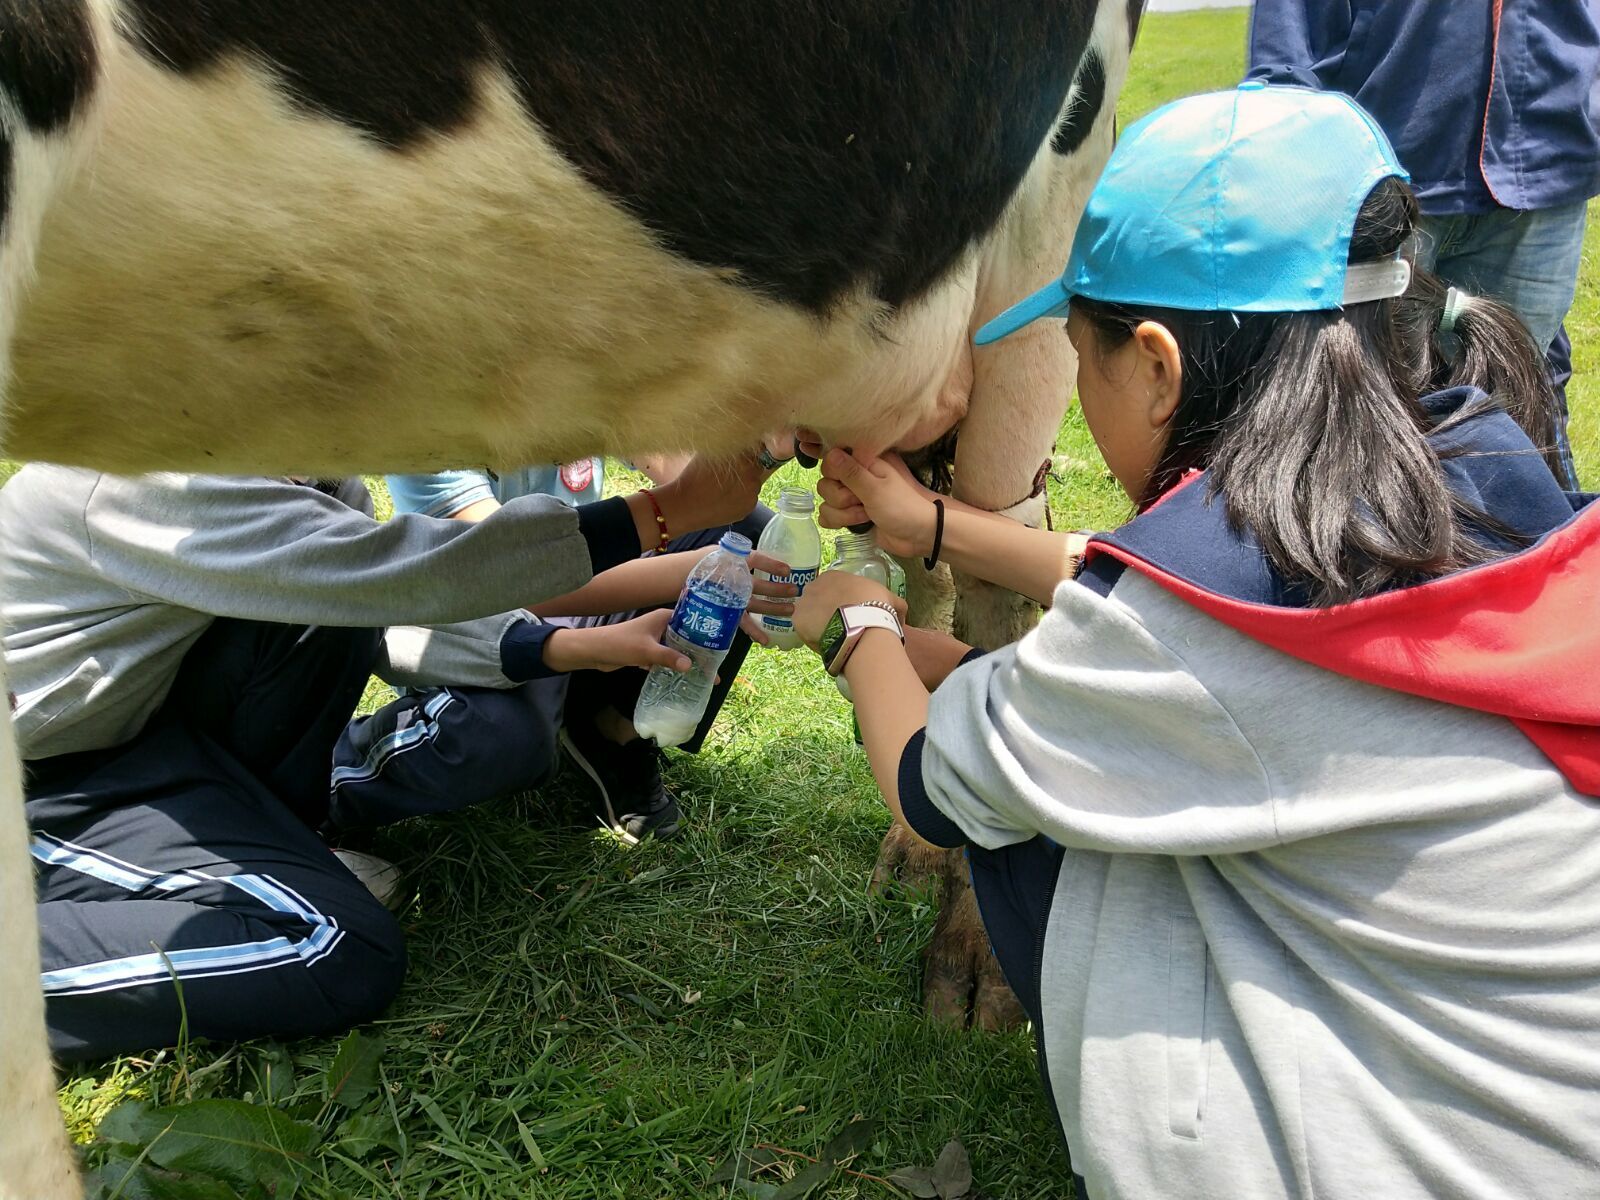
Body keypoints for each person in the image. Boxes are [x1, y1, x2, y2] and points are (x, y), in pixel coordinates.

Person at [794, 84, 1600, 1198]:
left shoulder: (1170, 642)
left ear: (1159, 366)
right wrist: (931, 526)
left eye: (1083, 358)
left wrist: (854, 622)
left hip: (1409, 1170)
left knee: (1025, 824)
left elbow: (930, 781)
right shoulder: (1479, 471)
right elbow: (1155, 605)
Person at [6, 455, 775, 1061]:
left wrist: (565, 648)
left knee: (324, 607)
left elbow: (373, 602)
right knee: (332, 949)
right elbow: (427, 569)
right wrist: (656, 513)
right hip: (49, 782)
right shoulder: (144, 477)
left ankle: (287, 841)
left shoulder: (305, 479)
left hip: (155, 747)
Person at [1248, 0, 1600, 488]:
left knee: (1517, 406)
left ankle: (1513, 553)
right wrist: (1285, 104)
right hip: (1376, 165)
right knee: (1352, 411)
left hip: (1546, 157)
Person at [332, 458, 773, 843]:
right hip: (477, 625)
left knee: (743, 526)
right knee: (505, 735)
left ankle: (611, 734)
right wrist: (699, 573)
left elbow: (690, 479)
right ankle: (321, 779)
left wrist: (753, 461)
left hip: (571, 590)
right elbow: (511, 581)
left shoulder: (569, 378)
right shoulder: (435, 421)